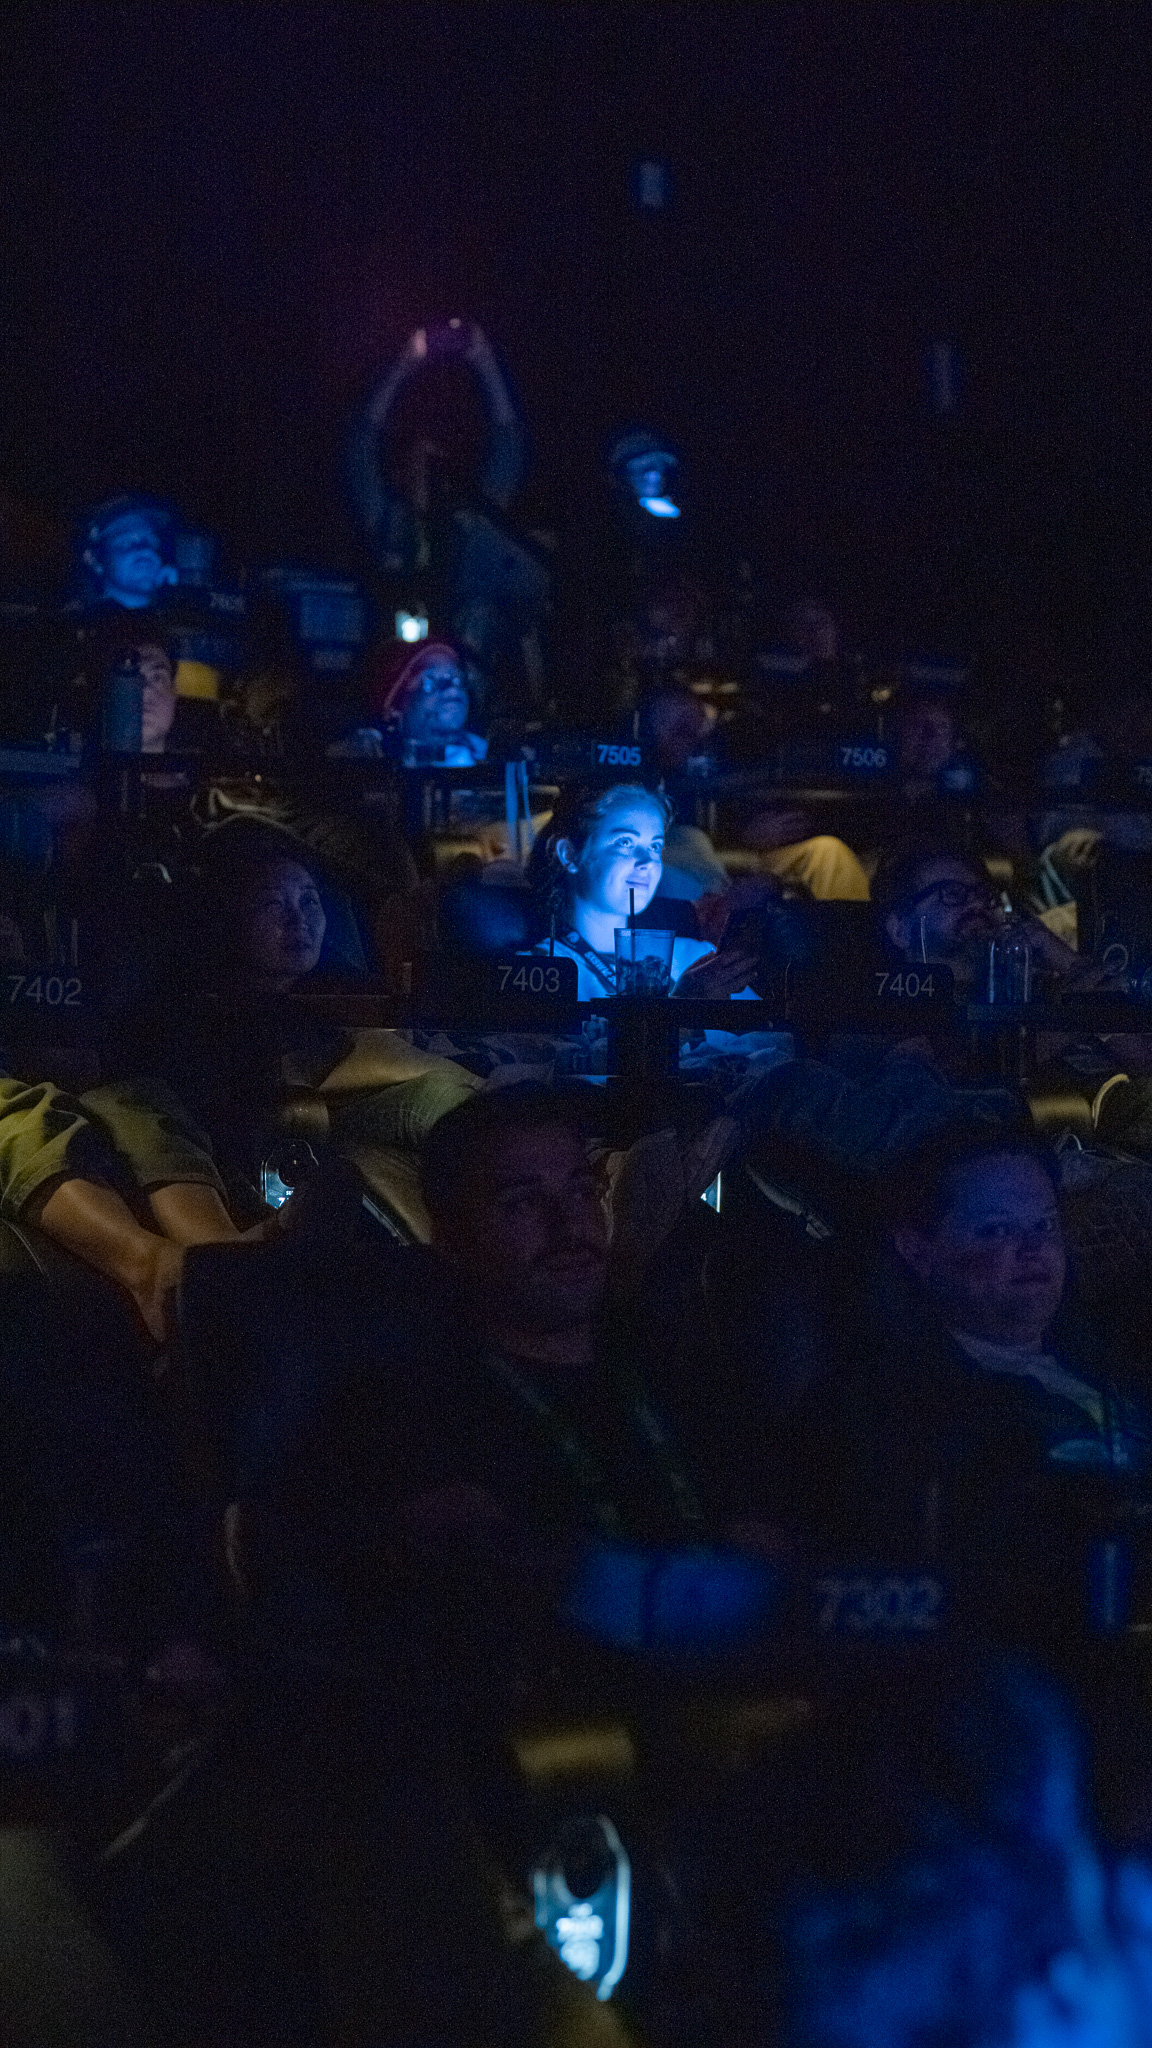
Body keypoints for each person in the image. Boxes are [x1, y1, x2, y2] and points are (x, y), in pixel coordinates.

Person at [784, 1128, 1151, 1647]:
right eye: (997, 1231)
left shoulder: (1113, 1348)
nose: (1034, 1249)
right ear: (918, 1249)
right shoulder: (887, 1411)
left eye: (1044, 1224)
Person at [524, 781, 759, 997]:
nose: (647, 861)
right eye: (625, 842)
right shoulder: (540, 972)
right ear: (569, 854)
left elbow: (776, 1040)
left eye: (655, 846)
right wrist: (685, 1005)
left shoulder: (698, 961)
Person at [874, 841, 1107, 996]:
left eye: (984, 894)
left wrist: (1063, 957)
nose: (977, 904)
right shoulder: (879, 1021)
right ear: (899, 930)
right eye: (953, 894)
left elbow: (1138, 1050)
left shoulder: (1030, 990)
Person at [366, 635, 488, 765]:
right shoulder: (373, 767)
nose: (453, 689)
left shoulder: (496, 765)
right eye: (431, 681)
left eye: (459, 680)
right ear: (394, 707)